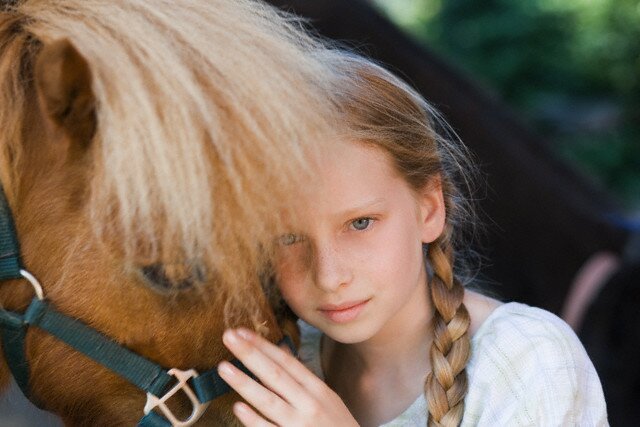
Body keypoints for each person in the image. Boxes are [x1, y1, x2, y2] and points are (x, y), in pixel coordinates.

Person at [217, 54, 608, 426]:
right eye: (288, 237)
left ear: (429, 209)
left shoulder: (526, 360)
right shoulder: (282, 366)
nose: (329, 276)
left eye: (360, 223)